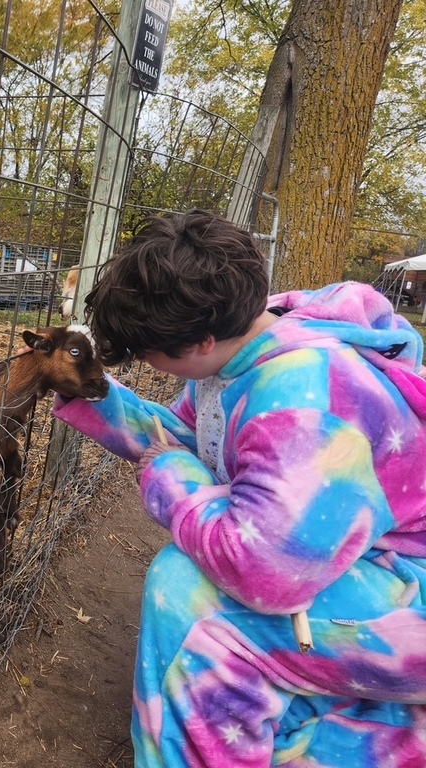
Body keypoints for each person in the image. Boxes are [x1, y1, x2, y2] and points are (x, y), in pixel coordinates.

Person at [52, 209, 426, 767]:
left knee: (189, 600)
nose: (144, 359)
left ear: (200, 340)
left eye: (148, 348)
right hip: (350, 568)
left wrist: (171, 483)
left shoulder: (302, 401)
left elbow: (266, 574)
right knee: (196, 580)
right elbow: (197, 439)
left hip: (405, 601)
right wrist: (92, 394)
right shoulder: (247, 346)